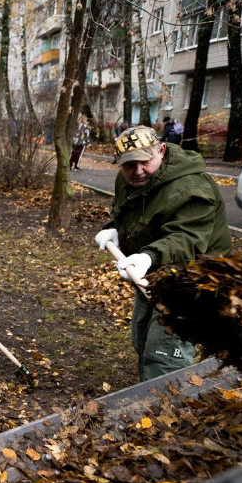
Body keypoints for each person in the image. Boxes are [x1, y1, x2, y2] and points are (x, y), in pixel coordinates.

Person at [93, 125, 231, 382]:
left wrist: (148, 257)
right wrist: (114, 229)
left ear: (162, 151)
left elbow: (187, 239)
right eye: (129, 165)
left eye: (145, 162)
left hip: (193, 279)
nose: (138, 171)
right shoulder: (127, 179)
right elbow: (128, 210)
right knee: (142, 335)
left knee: (165, 353)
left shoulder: (191, 189)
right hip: (154, 273)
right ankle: (150, 389)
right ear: (118, 161)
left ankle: (169, 400)